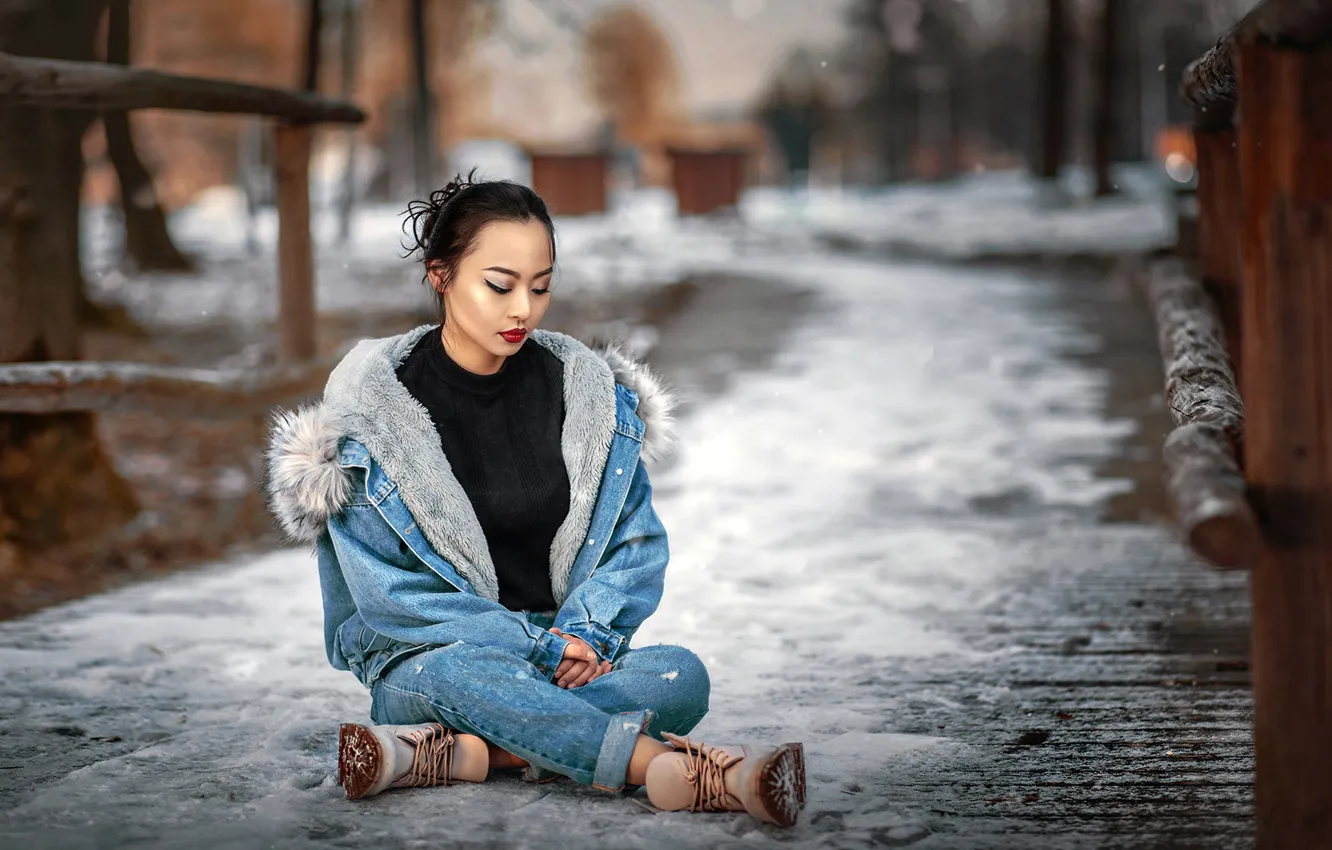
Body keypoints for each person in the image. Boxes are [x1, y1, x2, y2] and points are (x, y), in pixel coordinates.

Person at [265, 173, 805, 826]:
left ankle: (465, 754)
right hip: (432, 663)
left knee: (679, 674)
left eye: (541, 286)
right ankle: (672, 770)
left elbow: (634, 543)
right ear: (441, 276)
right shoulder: (367, 418)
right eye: (500, 285)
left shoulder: (587, 396)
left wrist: (581, 635)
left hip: (566, 656)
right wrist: (532, 649)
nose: (523, 308)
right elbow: (396, 602)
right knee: (464, 678)